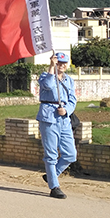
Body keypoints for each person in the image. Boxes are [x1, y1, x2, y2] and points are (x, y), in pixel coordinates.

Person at [37, 52, 77, 200]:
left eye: (65, 62)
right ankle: (54, 186)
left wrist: (67, 110)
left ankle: (52, 174)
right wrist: (51, 68)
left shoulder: (69, 80)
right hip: (49, 117)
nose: (63, 65)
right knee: (51, 154)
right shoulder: (45, 76)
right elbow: (48, 86)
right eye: (59, 62)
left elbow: (73, 99)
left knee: (70, 154)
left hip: (64, 119)